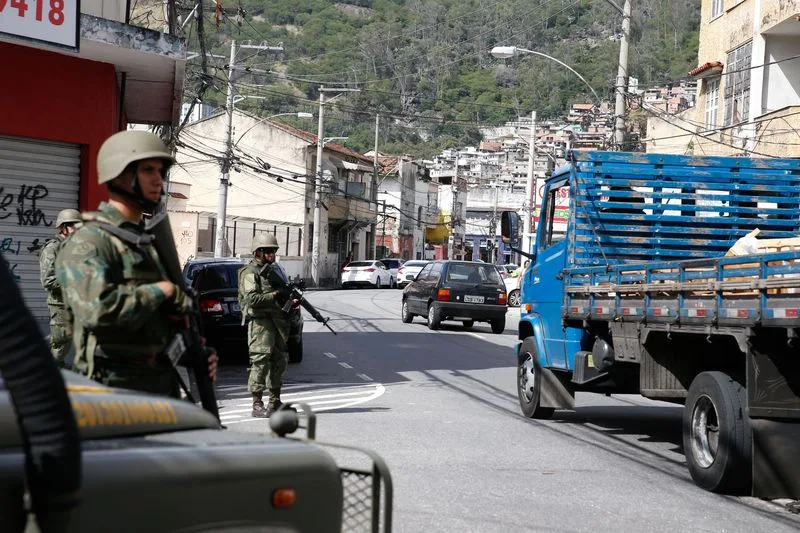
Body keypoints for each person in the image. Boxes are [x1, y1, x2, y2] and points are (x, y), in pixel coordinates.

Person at [55, 130, 217, 397]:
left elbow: (155, 326)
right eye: (148, 170)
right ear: (120, 176)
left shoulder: (147, 243)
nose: (159, 181)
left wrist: (193, 353)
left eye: (161, 171)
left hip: (160, 390)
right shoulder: (90, 242)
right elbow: (97, 311)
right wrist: (161, 291)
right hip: (112, 395)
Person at [238, 233, 299, 417]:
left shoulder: (275, 271)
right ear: (258, 252)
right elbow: (252, 299)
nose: (272, 255)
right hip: (261, 324)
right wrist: (275, 295)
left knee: (279, 362)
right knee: (260, 362)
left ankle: (275, 402)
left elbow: (282, 295)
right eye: (269, 251)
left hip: (278, 322)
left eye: (274, 251)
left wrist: (290, 300)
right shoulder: (250, 273)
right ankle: (257, 404)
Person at [39, 208, 81, 367]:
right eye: (74, 226)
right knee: (60, 344)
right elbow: (48, 280)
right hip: (60, 304)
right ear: (63, 227)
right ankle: (51, 374)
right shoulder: (52, 248)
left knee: (71, 341)